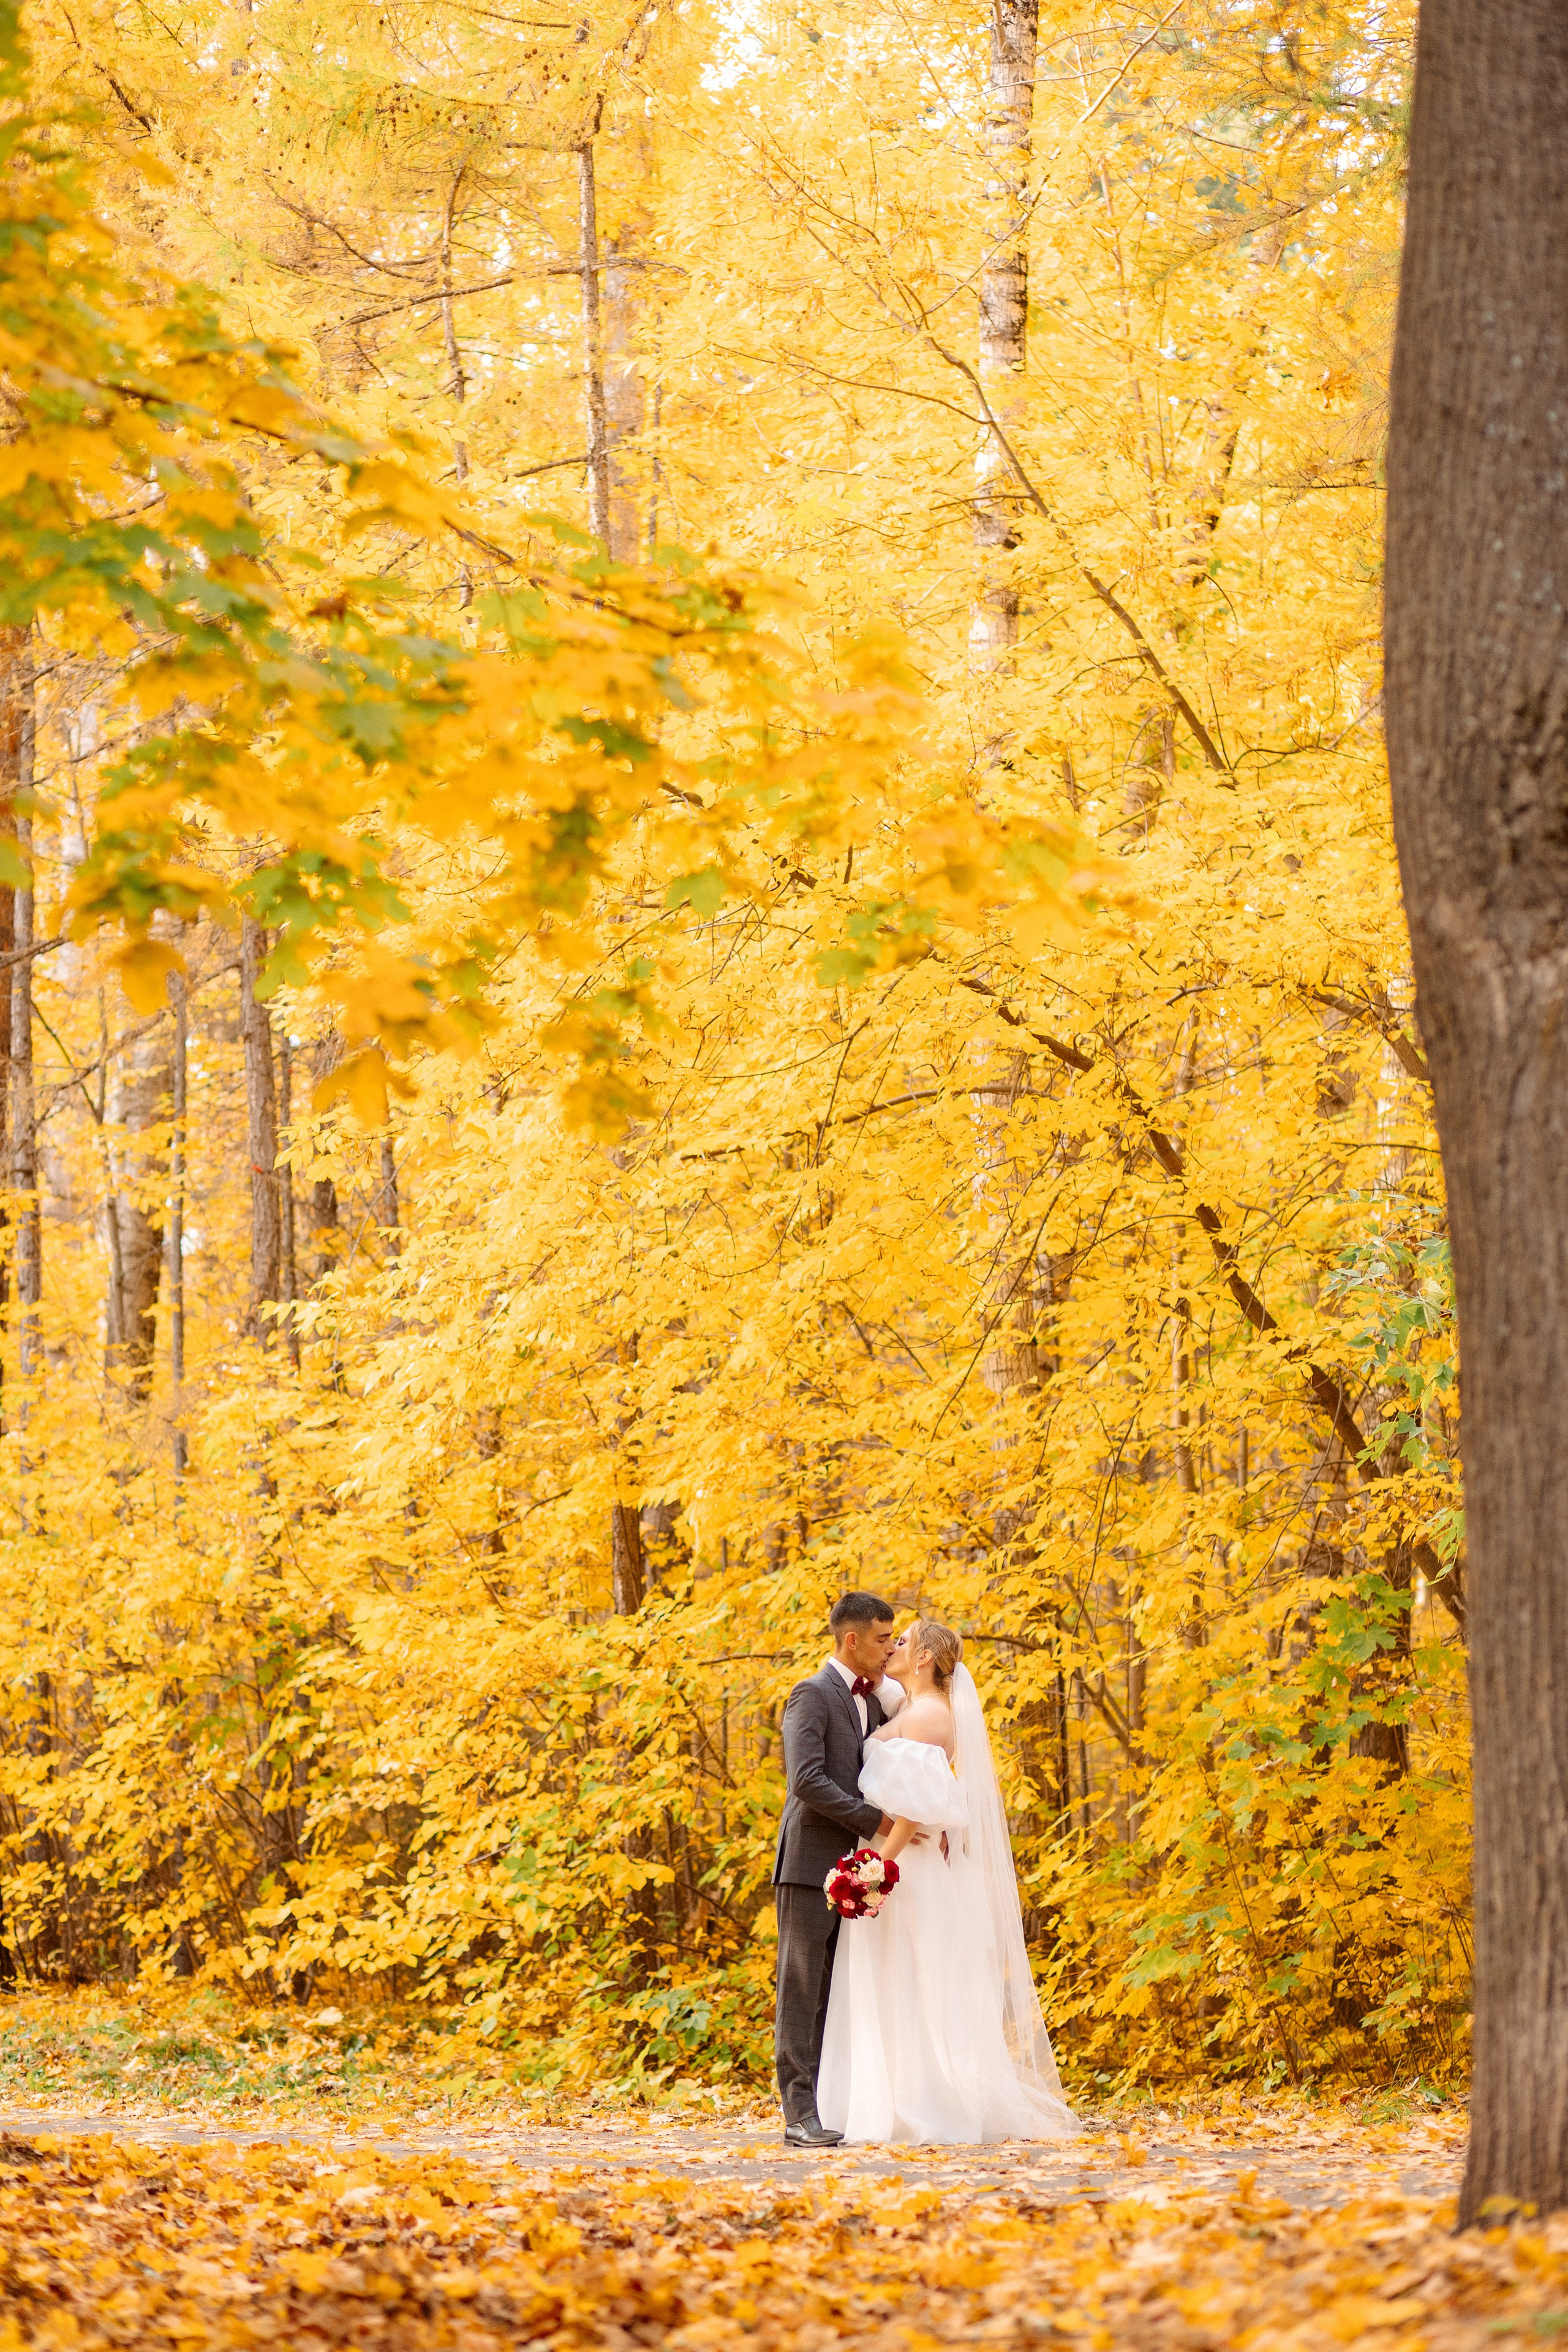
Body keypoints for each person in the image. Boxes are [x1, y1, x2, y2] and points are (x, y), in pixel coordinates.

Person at [816, 1619, 1077, 2144]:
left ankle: (925, 2105)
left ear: (925, 1659)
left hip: (905, 1868)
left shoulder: (932, 1715)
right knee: (888, 1978)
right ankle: (879, 2102)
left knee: (910, 1979)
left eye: (903, 1642)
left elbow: (914, 1805)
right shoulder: (907, 1706)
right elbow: (871, 1684)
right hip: (892, 1858)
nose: (892, 1647)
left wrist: (874, 1872)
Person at [772, 1591, 903, 2146]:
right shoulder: (812, 1694)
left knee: (837, 1989)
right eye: (881, 1638)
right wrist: (878, 1822)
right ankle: (798, 2114)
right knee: (802, 1989)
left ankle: (827, 2104)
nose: (890, 1647)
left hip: (856, 1869)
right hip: (808, 1864)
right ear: (851, 1640)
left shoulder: (874, 1703)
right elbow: (805, 1778)